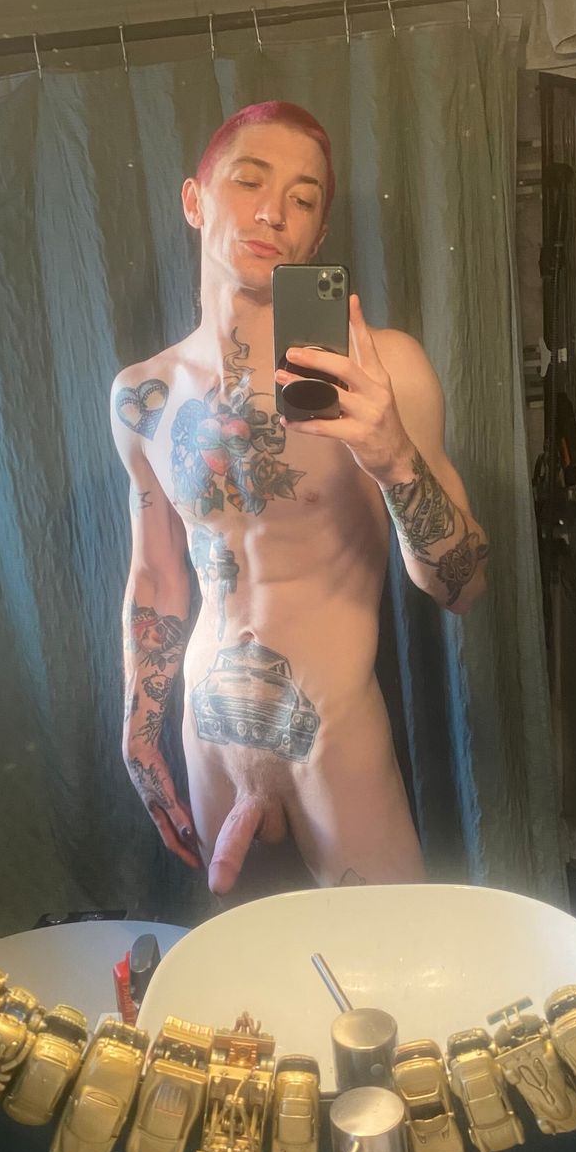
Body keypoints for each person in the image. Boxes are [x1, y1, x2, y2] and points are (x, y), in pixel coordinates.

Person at [110, 101, 488, 900]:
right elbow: (157, 576)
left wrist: (394, 460)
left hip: (334, 743)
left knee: (387, 967)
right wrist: (138, 732)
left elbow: (462, 586)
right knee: (243, 975)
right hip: (210, 740)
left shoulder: (383, 371)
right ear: (194, 201)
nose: (273, 211)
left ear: (317, 240)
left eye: (304, 198)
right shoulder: (143, 395)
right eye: (248, 181)